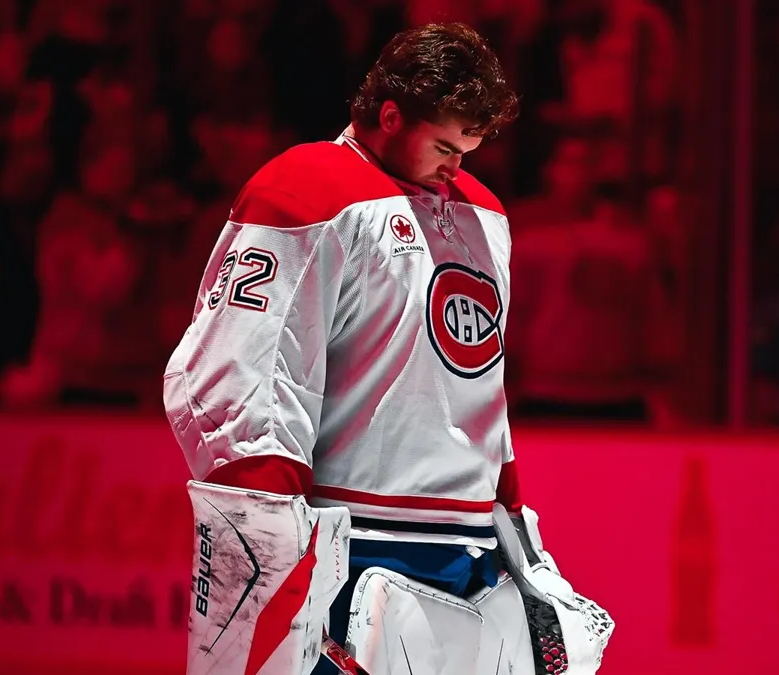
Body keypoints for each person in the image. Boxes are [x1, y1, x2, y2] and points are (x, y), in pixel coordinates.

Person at [164, 23, 611, 675]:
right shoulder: (304, 189)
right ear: (390, 113)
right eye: (444, 145)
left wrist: (511, 515)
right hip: (349, 538)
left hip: (469, 547)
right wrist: (265, 521)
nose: (457, 165)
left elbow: (480, 380)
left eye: (469, 148)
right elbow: (245, 367)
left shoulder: (484, 213)